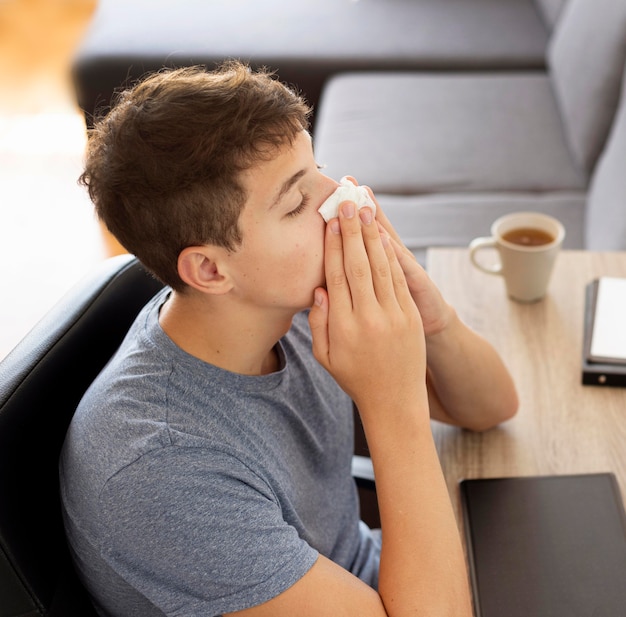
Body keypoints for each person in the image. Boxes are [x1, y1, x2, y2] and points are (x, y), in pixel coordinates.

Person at [59, 61, 518, 617]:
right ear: (209, 270)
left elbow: (492, 406)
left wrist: (431, 315)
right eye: (298, 202)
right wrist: (390, 400)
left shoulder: (288, 304)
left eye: (318, 169)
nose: (344, 198)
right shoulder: (160, 471)